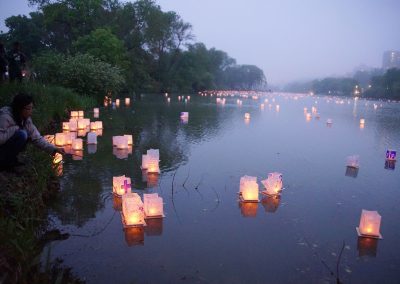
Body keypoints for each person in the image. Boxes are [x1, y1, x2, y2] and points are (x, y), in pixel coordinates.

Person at [0, 93, 65, 172]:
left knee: (25, 134)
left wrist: (54, 149)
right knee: (22, 134)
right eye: (29, 108)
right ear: (20, 108)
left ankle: (10, 160)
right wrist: (15, 128)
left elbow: (37, 138)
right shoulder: (5, 117)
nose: (31, 111)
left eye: (32, 108)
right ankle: (4, 162)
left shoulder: (25, 119)